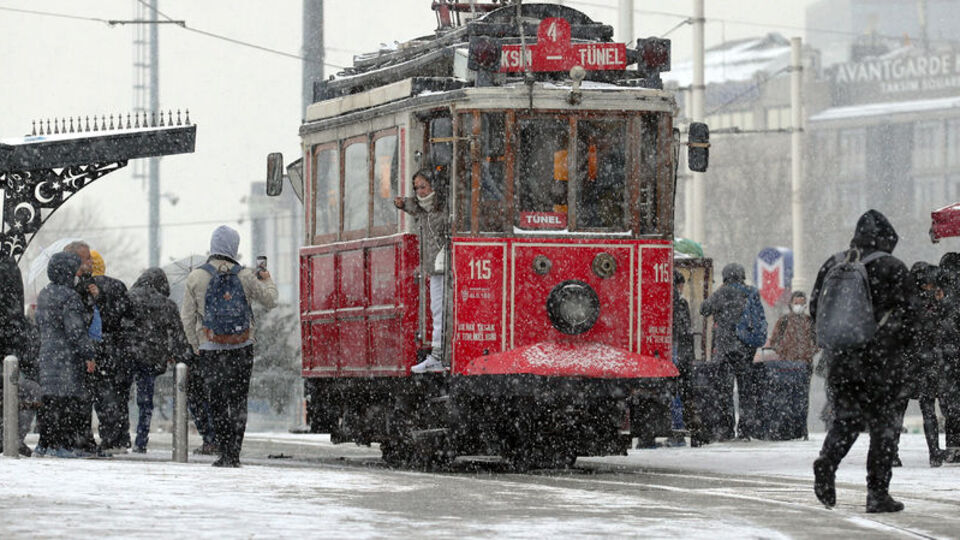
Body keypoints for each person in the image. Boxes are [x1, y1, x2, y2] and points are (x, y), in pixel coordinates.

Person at [810, 209, 910, 513]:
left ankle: (827, 461)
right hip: (882, 364)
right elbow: (909, 317)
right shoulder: (893, 267)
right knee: (884, 429)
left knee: (846, 421)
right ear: (887, 238)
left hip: (841, 361)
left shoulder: (834, 263)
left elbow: (816, 308)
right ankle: (877, 493)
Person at [181, 225, 278, 467]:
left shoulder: (196, 276)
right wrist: (267, 279)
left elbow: (187, 317)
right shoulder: (245, 275)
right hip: (241, 345)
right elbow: (271, 300)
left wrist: (196, 345)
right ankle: (234, 453)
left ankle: (222, 451)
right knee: (237, 400)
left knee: (215, 400)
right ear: (234, 246)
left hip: (210, 347)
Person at [35, 252, 97, 458]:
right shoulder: (70, 297)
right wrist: (88, 353)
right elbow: (75, 331)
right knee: (65, 401)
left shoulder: (44, 294)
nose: (78, 273)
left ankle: (44, 443)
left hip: (47, 353)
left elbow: (39, 324)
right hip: (66, 357)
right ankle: (60, 445)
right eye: (75, 269)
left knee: (49, 400)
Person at [125, 267, 193, 453]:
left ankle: (121, 436)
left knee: (121, 397)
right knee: (146, 401)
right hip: (152, 357)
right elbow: (178, 335)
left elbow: (119, 325)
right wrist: (181, 357)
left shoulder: (128, 298)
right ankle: (141, 439)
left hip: (128, 354)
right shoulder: (167, 304)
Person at [394, 168, 449, 374]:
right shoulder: (422, 208)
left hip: (446, 267)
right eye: (416, 188)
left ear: (433, 186)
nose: (420, 192)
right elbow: (412, 205)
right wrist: (400, 203)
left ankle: (439, 354)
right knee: (437, 310)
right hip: (434, 267)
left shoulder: (441, 209)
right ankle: (437, 354)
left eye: (423, 187)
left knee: (443, 311)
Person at [700, 263, 764, 440]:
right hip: (746, 349)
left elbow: (704, 309)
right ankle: (745, 429)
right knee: (746, 391)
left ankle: (727, 429)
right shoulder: (751, 292)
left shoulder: (723, 292)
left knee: (725, 391)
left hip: (726, 350)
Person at [892, 262, 947, 468]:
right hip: (922, 363)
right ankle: (933, 452)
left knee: (901, 410)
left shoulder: (905, 302)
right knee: (927, 409)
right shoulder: (928, 305)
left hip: (909, 363)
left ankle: (893, 453)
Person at [87, 250, 134, 453]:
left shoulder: (88, 287)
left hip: (99, 346)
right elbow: (129, 314)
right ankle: (123, 436)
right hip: (120, 348)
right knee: (120, 394)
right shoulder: (119, 285)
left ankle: (110, 437)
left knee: (103, 395)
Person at [0, 257, 42, 457]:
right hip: (10, 356)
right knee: (30, 391)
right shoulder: (7, 268)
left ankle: (10, 439)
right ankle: (11, 439)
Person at [768, 291, 818, 439]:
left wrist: (808, 353)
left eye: (802, 303)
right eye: (796, 303)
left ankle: (801, 430)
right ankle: (787, 430)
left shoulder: (810, 322)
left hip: (804, 365)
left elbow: (817, 342)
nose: (799, 306)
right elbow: (774, 341)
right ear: (791, 304)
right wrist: (783, 352)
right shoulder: (784, 320)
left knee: (802, 400)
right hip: (786, 367)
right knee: (786, 399)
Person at [672, 270, 706, 447]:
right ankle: (678, 430)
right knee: (680, 392)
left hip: (669, 352)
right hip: (679, 353)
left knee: (673, 391)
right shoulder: (679, 303)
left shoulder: (663, 301)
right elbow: (684, 329)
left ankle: (675, 430)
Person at [938, 252, 960, 463]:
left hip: (948, 355)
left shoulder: (944, 295)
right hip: (951, 351)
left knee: (952, 401)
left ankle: (954, 445)